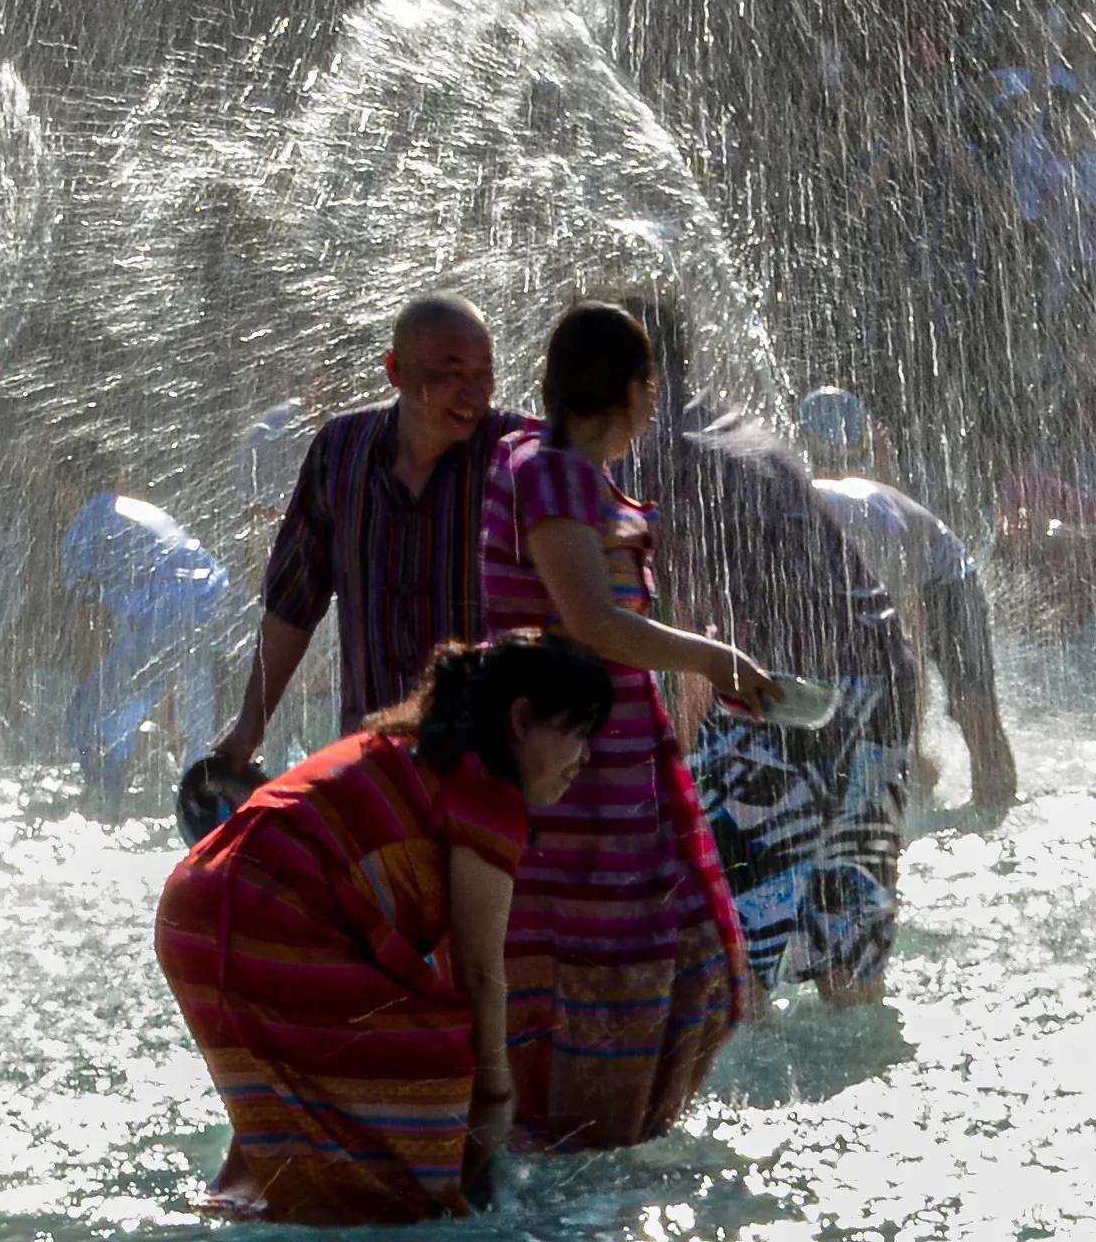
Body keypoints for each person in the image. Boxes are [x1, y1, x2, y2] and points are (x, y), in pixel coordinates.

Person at [157, 630, 624, 1224]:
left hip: (194, 906)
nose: (584, 758)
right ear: (523, 717)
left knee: (315, 1080)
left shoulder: (404, 749)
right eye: (578, 732)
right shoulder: (487, 793)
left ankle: (250, 1197)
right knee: (438, 1064)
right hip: (269, 917)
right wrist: (494, 1100)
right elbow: (481, 973)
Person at [473, 302, 776, 1151]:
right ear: (638, 390)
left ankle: (591, 1126)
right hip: (581, 762)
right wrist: (712, 661)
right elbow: (592, 621)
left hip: (597, 749)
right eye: (652, 386)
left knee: (657, 943)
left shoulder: (541, 462)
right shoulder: (556, 470)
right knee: (617, 945)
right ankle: (585, 1133)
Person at [635, 358, 915, 1007]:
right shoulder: (745, 434)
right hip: (875, 673)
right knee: (848, 939)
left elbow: (695, 616)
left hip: (774, 688)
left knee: (733, 954)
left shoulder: (656, 453)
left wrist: (670, 747)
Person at [210, 298, 527, 788]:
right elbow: (294, 604)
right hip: (372, 760)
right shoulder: (340, 452)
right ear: (395, 370)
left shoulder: (522, 455)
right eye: (452, 371)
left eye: (485, 372)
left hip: (494, 763)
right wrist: (250, 727)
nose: (474, 392)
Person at [793, 388, 1016, 811]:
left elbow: (906, 627)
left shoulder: (861, 513)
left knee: (971, 702)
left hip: (950, 581)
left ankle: (994, 797)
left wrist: (913, 734)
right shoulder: (825, 505)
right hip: (910, 566)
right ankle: (918, 777)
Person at [66, 487, 235, 801]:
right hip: (217, 609)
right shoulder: (140, 511)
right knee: (199, 732)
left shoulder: (86, 523)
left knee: (86, 715)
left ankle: (106, 798)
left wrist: (95, 686)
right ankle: (206, 800)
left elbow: (89, 616)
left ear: (64, 491)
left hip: (168, 620)